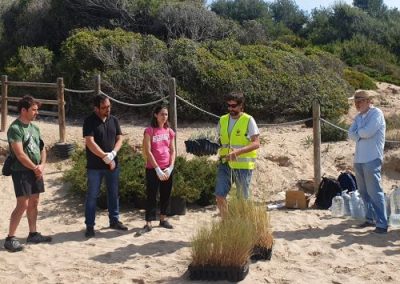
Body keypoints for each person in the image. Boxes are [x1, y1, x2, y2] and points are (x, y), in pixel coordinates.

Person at [4, 95, 51, 252]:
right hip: (21, 171)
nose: (36, 113)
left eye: (37, 110)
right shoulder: (15, 129)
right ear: (24, 110)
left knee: (34, 202)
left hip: (35, 170)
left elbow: (42, 148)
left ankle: (33, 233)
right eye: (34, 109)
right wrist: (34, 168)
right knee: (22, 204)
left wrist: (42, 166)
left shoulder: (35, 128)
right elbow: (20, 154)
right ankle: (10, 238)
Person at [83, 95, 127, 238]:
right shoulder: (89, 121)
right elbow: (90, 142)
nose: (107, 109)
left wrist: (113, 154)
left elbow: (120, 138)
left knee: (113, 194)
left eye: (109, 106)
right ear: (96, 108)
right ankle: (90, 226)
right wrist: (104, 156)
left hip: (113, 165)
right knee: (92, 196)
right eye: (104, 107)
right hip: (95, 167)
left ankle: (114, 221)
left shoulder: (114, 120)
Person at [215, 92, 260, 217]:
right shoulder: (222, 120)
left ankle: (242, 224)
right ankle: (227, 222)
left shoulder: (248, 120)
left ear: (241, 106)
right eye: (228, 106)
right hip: (225, 163)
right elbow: (218, 140)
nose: (231, 109)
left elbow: (256, 143)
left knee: (242, 199)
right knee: (219, 194)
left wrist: (238, 152)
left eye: (234, 106)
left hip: (243, 166)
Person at [348, 90, 388, 234]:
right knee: (363, 192)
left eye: (360, 101)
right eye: (356, 101)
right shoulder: (359, 117)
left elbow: (367, 132)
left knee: (375, 192)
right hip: (359, 159)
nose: (357, 104)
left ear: (368, 101)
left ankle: (382, 223)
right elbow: (350, 134)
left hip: (372, 157)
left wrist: (359, 133)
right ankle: (370, 218)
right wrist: (360, 133)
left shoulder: (376, 113)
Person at [142, 105, 175, 232]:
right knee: (151, 195)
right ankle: (149, 222)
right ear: (156, 115)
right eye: (162, 114)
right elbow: (148, 151)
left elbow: (173, 150)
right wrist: (157, 169)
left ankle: (163, 218)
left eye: (166, 114)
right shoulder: (149, 131)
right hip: (153, 168)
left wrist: (171, 167)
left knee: (166, 194)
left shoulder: (170, 131)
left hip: (167, 168)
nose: (164, 117)